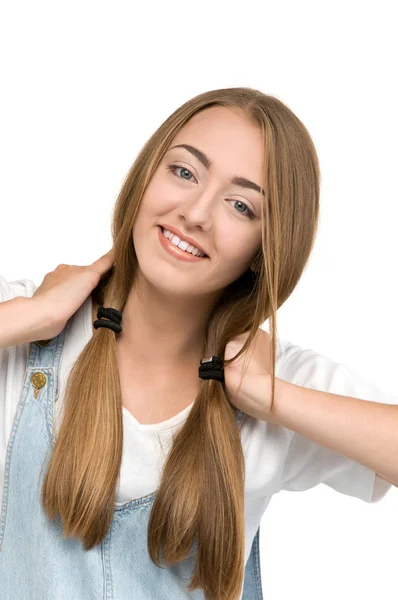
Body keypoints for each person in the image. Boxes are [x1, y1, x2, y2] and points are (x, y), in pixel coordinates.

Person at [0, 87, 396, 600]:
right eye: (184, 172)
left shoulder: (274, 379)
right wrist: (29, 316)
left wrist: (272, 397)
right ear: (146, 177)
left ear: (264, 248)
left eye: (240, 205)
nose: (196, 213)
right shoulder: (28, 335)